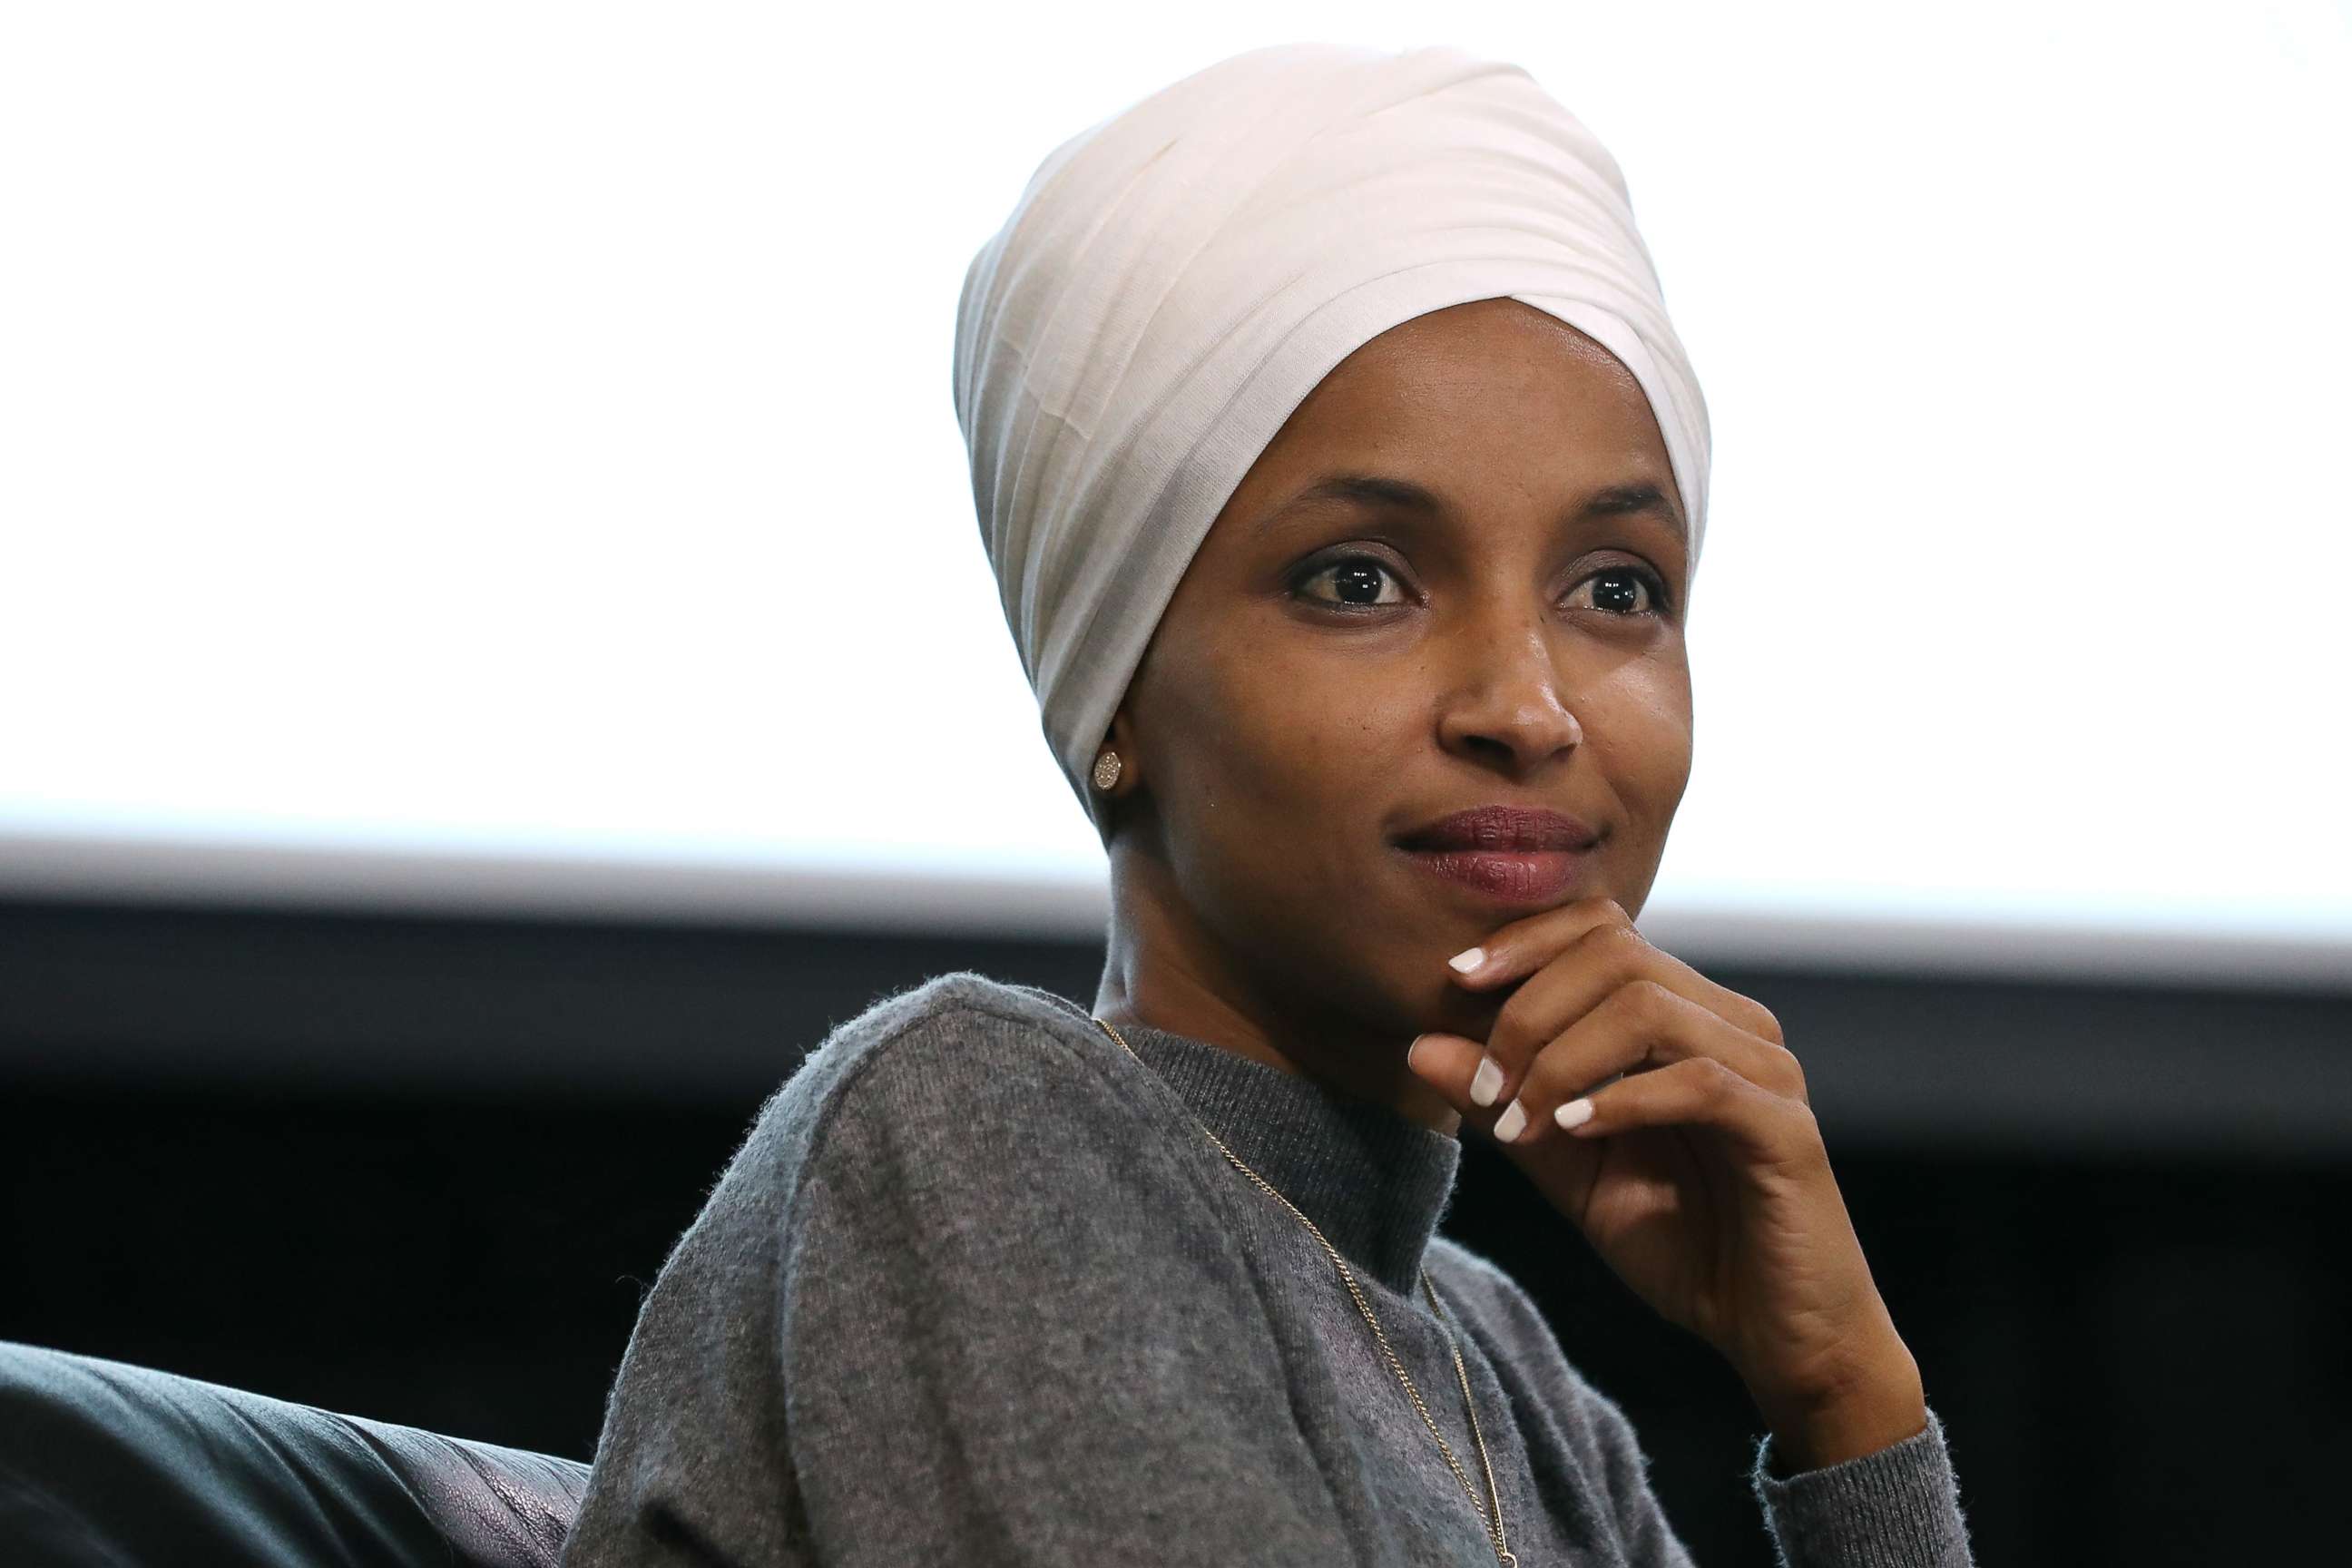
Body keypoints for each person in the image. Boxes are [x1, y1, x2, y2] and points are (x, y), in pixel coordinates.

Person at [562, 41, 1974, 1567]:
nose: (1527, 705)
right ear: (1114, 691)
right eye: (1358, 581)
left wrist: (1847, 1400)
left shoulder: (1513, 1384)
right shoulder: (977, 1124)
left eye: (1613, 587)